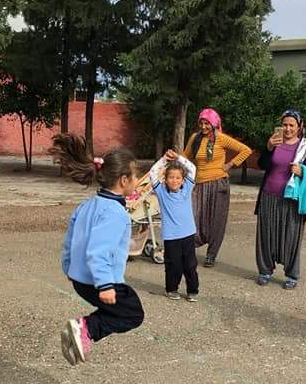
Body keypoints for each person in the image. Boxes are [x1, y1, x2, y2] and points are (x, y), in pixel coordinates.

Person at [51, 133, 143, 366]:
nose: (137, 181)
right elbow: (98, 251)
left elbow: (70, 240)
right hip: (97, 281)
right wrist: (105, 285)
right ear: (123, 180)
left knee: (122, 310)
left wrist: (68, 267)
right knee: (133, 312)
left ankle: (81, 334)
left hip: (79, 278)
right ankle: (85, 328)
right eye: (135, 176)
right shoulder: (115, 213)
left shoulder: (89, 204)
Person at [254, 110, 306, 289]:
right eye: (285, 125)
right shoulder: (275, 142)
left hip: (292, 199)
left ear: (299, 127)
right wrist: (268, 147)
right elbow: (261, 165)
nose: (288, 129)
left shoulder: (305, 147)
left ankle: (291, 274)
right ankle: (265, 271)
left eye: (292, 125)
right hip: (269, 196)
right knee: (266, 235)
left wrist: (302, 171)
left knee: (291, 236)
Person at [183, 108, 252, 267]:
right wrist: (173, 160)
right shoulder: (195, 138)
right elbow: (186, 156)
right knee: (194, 217)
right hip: (199, 184)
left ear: (214, 124)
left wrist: (230, 164)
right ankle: (191, 246)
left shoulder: (221, 138)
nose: (203, 126)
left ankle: (211, 254)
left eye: (207, 123)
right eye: (201, 123)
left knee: (216, 220)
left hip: (218, 184)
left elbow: (246, 150)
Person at [147, 149, 199, 301]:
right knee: (173, 265)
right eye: (171, 177)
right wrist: (164, 159)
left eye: (178, 178)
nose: (174, 180)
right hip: (171, 237)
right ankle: (171, 289)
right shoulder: (162, 192)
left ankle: (192, 291)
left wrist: (178, 157)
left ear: (183, 180)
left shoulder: (187, 189)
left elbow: (192, 168)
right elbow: (152, 173)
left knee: (190, 265)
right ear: (165, 179)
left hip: (188, 234)